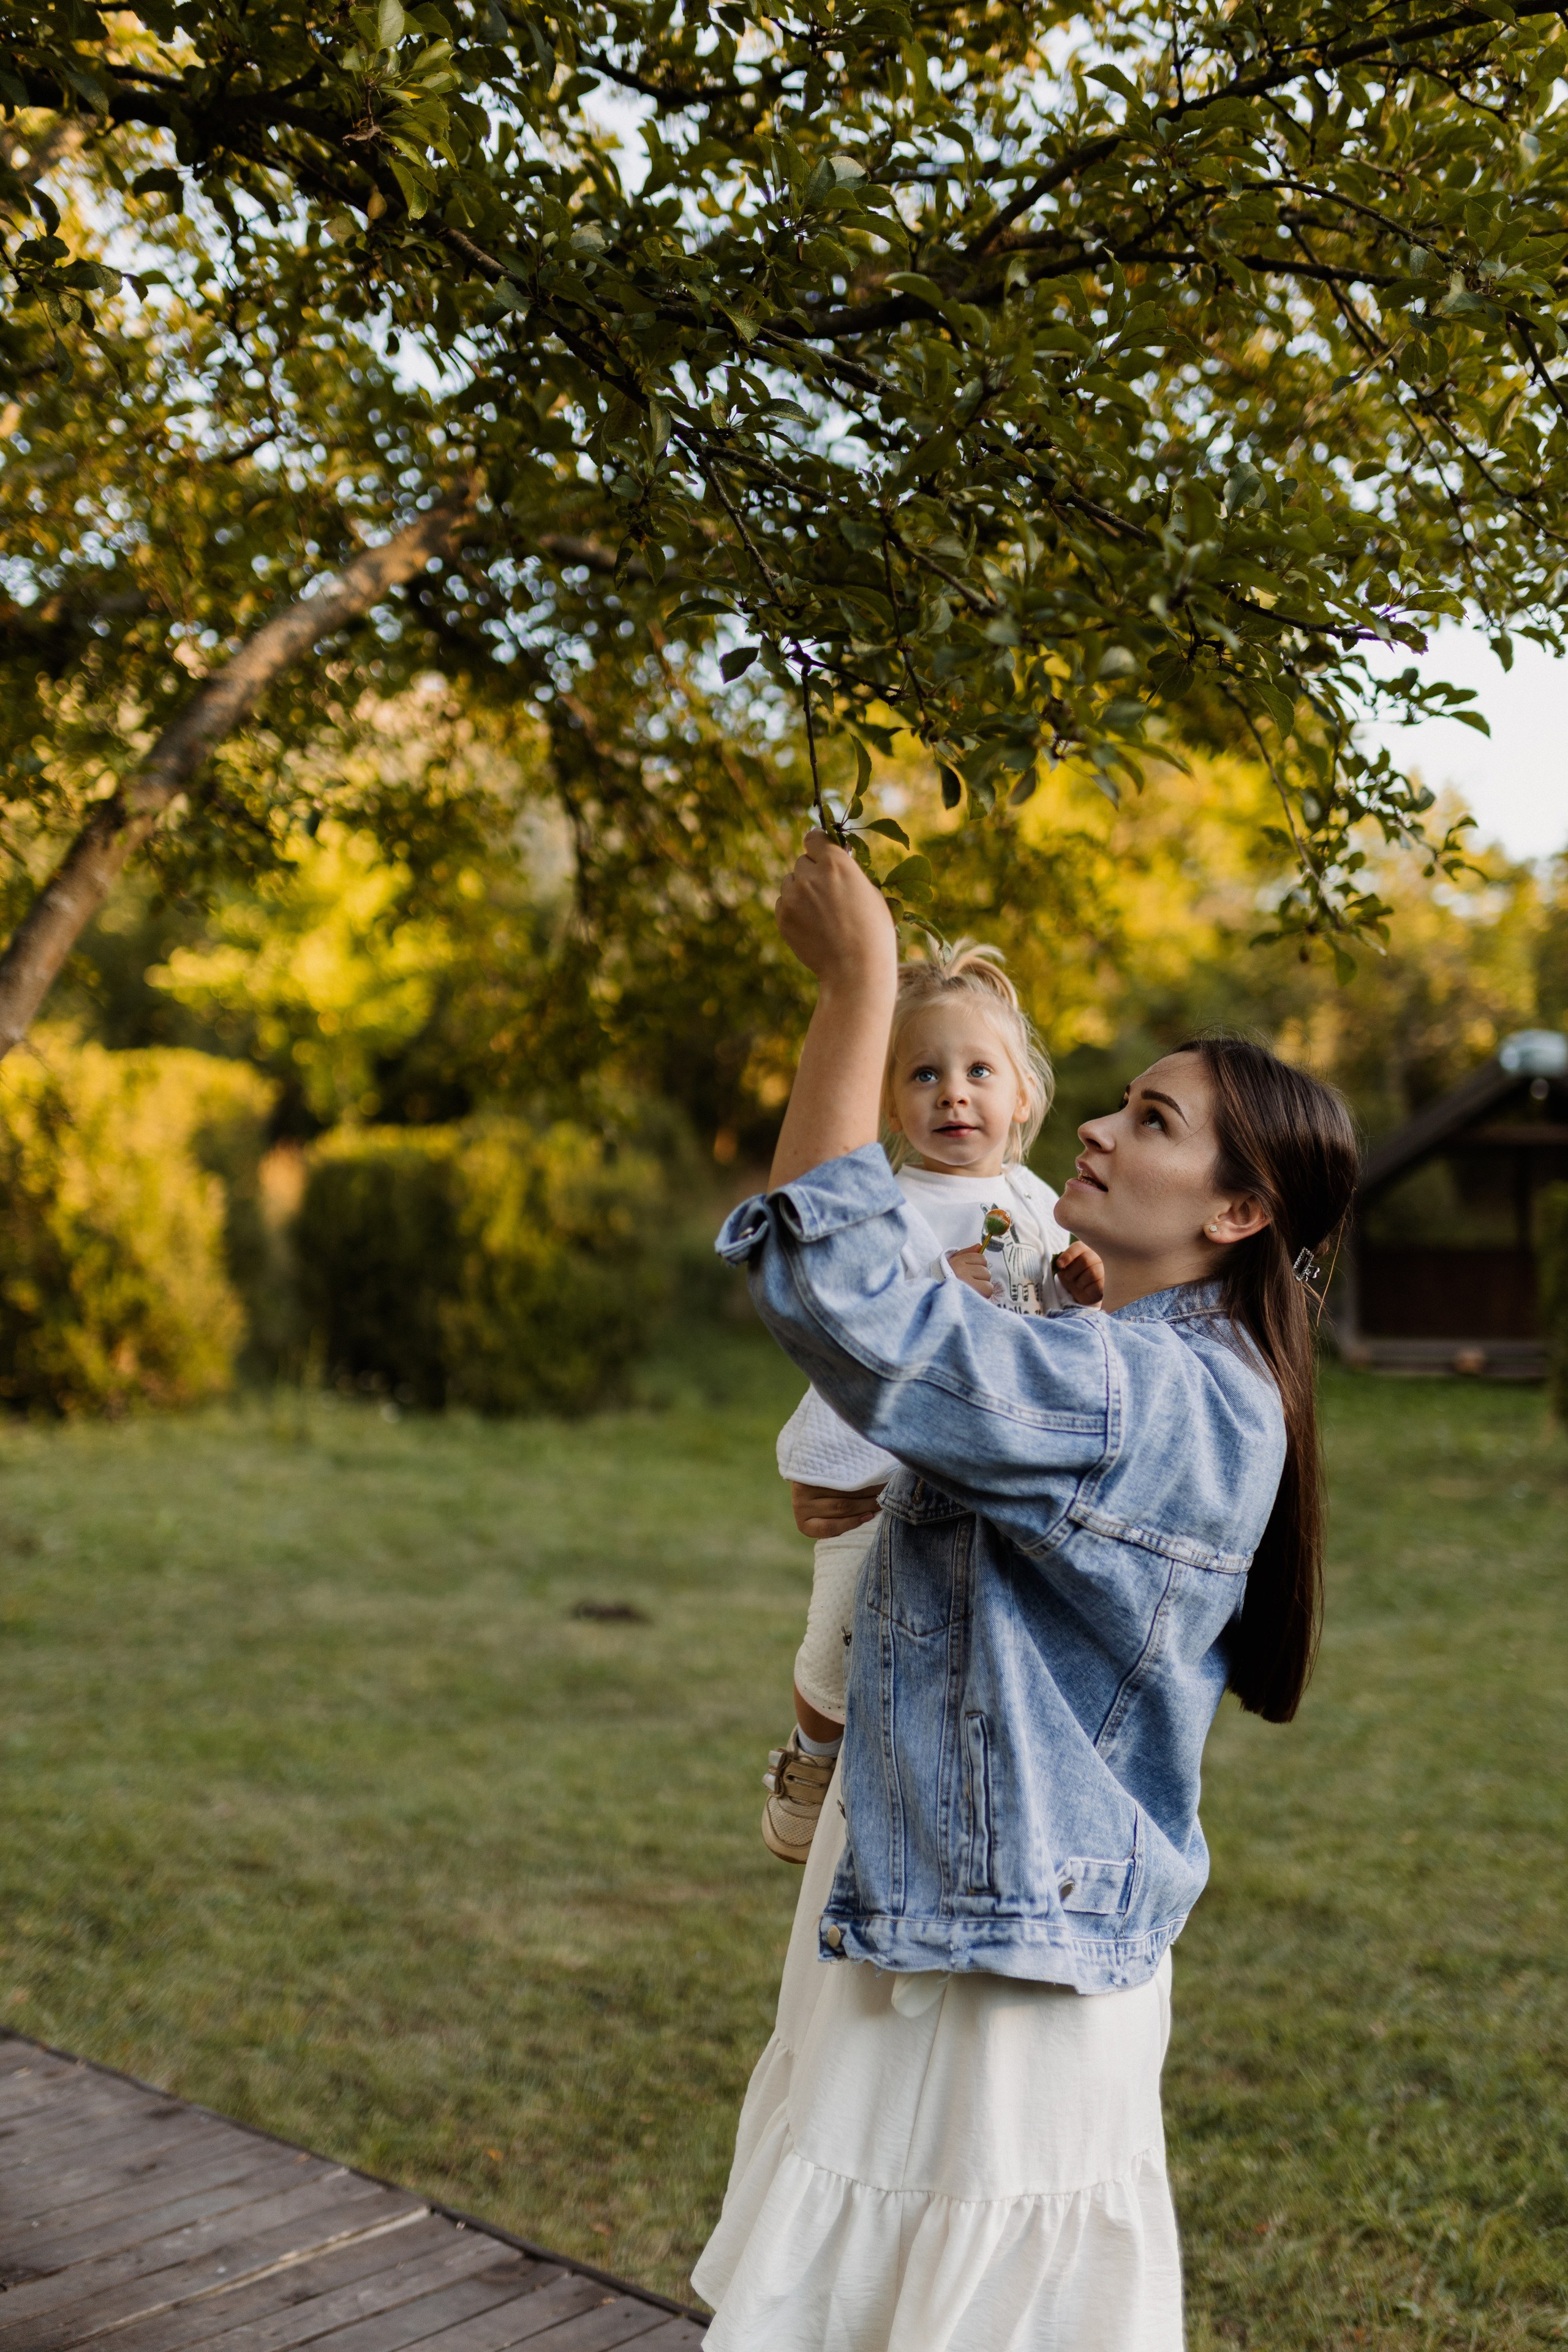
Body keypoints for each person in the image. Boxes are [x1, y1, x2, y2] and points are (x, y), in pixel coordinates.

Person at [693, 832, 1359, 2351]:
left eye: (1153, 1119)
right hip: (942, 1892)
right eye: (1122, 1101)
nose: (1103, 1129)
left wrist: (857, 987)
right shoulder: (1125, 1354)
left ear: (1237, 1213)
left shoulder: (1155, 1393)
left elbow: (845, 1301)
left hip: (1001, 1968)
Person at [763, 940, 1104, 1864]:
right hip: (883, 1461)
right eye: (924, 1074)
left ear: (1021, 1097)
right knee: (842, 1627)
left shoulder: (1039, 1203)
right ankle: (813, 1752)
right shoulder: (888, 1206)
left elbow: (1054, 1308)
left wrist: (1078, 1282)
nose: (953, 1094)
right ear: (890, 1103)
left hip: (990, 1463)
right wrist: (936, 1279)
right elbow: (853, 1308)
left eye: (978, 1072)